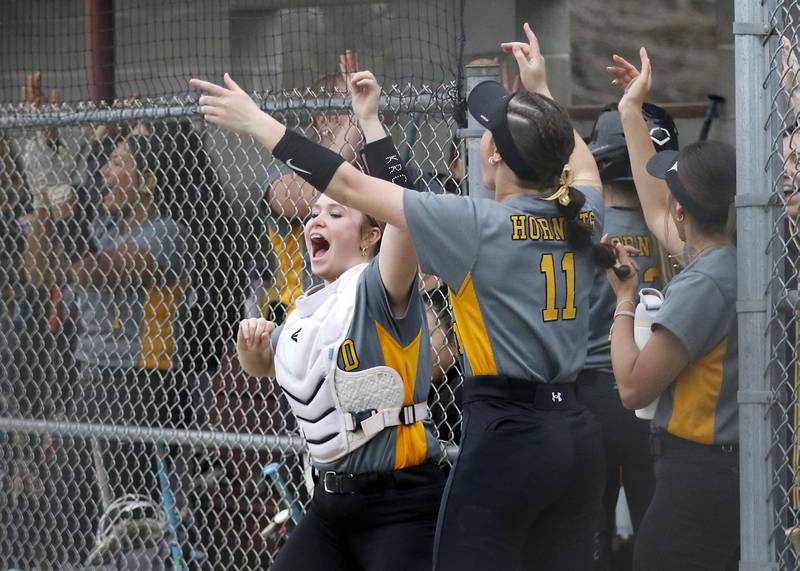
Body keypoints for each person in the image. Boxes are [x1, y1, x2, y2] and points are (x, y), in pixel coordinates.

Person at [191, 21, 621, 570]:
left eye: (489, 128)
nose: (482, 133)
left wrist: (257, 123)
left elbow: (351, 186)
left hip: (510, 432)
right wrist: (538, 98)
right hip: (577, 432)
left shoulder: (479, 224)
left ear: (493, 156)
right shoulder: (580, 212)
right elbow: (578, 164)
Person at [233, 68, 445, 570]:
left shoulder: (379, 285)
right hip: (329, 506)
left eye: (336, 213)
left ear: (372, 237)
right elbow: (272, 367)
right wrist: (253, 351)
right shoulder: (310, 305)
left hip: (400, 504)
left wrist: (369, 122)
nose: (315, 221)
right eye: (314, 214)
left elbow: (406, 210)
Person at [606, 47, 739, 570]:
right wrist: (630, 112)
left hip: (701, 473)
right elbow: (656, 203)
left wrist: (624, 303)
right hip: (721, 469)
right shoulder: (729, 257)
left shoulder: (706, 279)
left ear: (685, 211)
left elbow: (634, 387)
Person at [579, 101, 679, 569]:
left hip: (592, 390)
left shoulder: (584, 228)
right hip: (658, 391)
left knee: (589, 526)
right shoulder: (674, 228)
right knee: (656, 521)